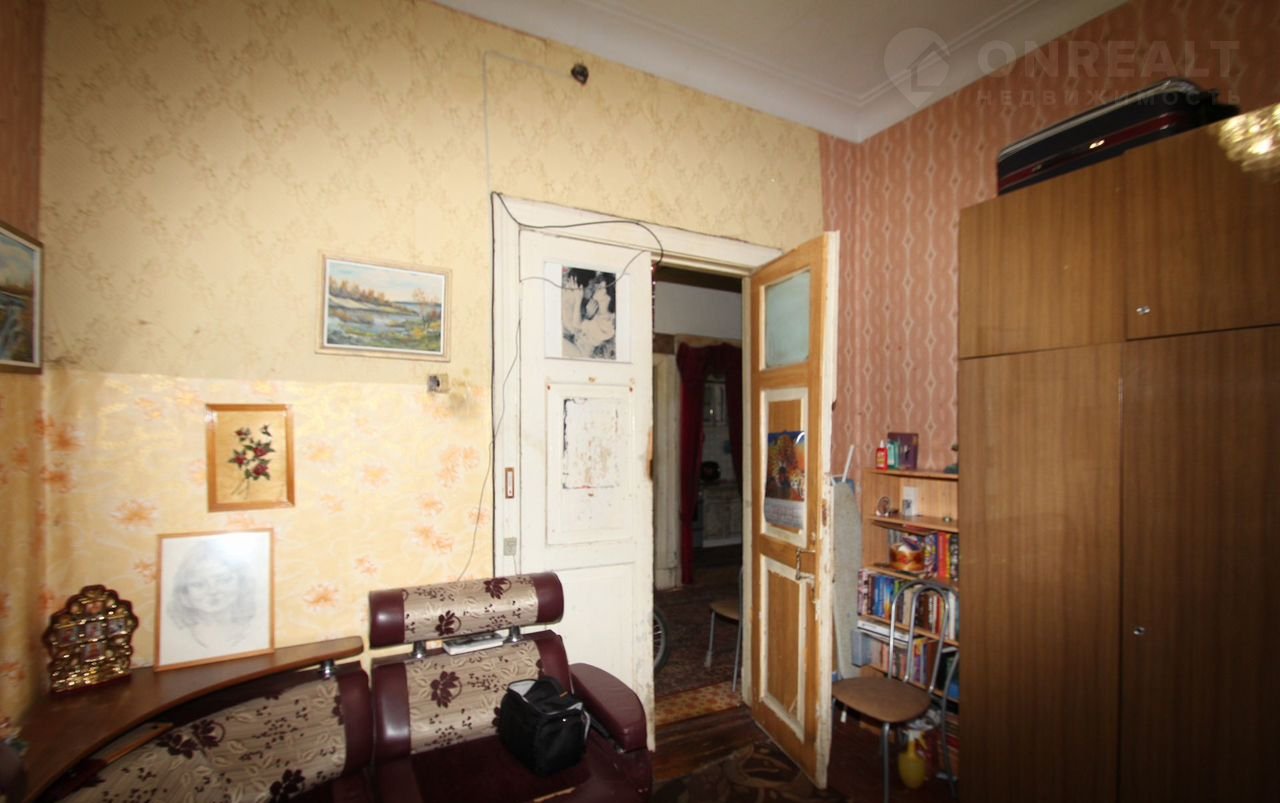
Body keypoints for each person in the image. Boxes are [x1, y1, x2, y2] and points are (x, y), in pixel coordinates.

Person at [167, 541, 257, 652]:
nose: (212, 591)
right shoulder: (178, 638)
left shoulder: (255, 630)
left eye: (223, 580)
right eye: (199, 584)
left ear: (241, 583)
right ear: (184, 592)